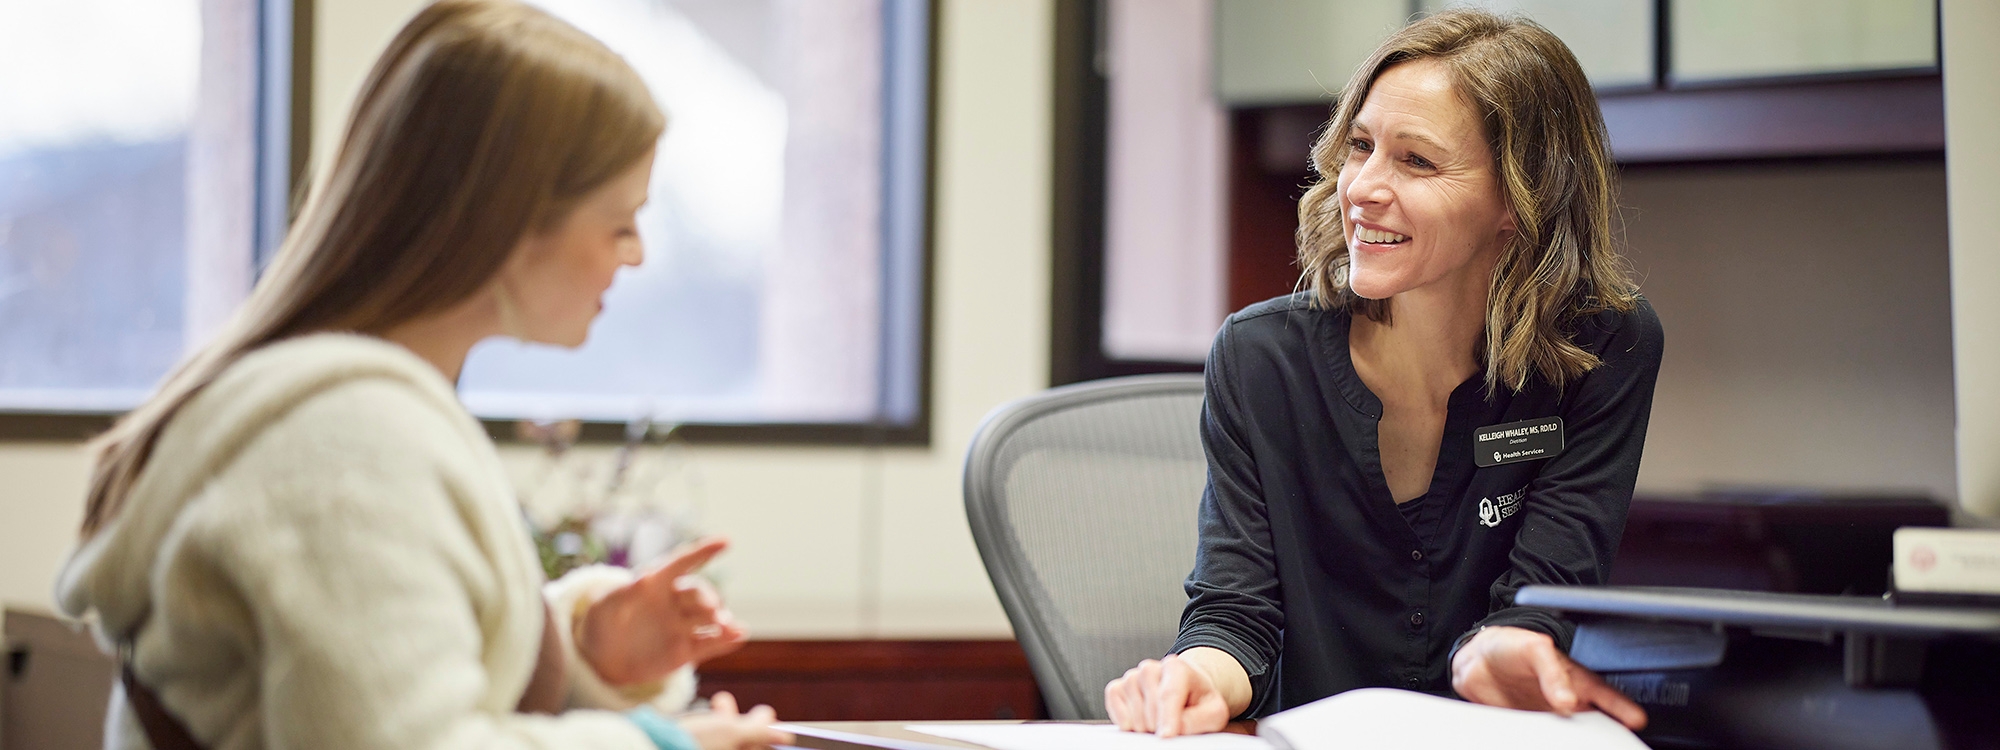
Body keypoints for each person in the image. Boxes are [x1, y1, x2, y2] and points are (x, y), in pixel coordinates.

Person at [54, 2, 790, 748]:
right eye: (621, 223)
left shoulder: (357, 419)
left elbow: (375, 685)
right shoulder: (347, 443)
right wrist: (661, 745)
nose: (633, 256)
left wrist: (579, 650)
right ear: (510, 219)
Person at [1105, 9, 1663, 736]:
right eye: (1360, 146)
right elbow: (1233, 614)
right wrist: (1195, 675)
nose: (1361, 186)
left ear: (1520, 198)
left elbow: (1543, 597)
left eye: (1417, 161)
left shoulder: (1603, 348)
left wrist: (1508, 646)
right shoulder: (1260, 360)